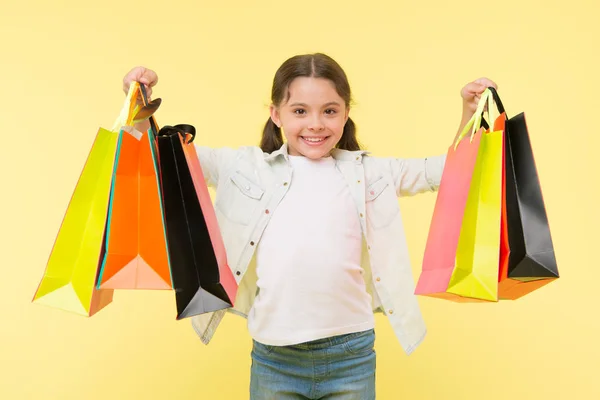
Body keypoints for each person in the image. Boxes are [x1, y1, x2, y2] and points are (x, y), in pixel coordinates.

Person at [123, 53, 497, 400]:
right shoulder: (244, 167)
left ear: (346, 113)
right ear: (276, 114)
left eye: (329, 111)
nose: (315, 124)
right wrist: (139, 106)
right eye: (300, 110)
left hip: (351, 354)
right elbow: (163, 158)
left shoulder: (370, 172)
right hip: (275, 360)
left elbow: (447, 173)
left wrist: (470, 113)